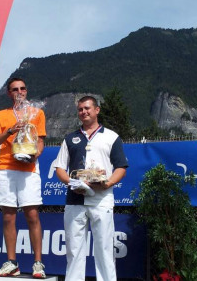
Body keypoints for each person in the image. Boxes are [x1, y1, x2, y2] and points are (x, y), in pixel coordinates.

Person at [54, 96, 129, 281]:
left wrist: (108, 183)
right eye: (80, 109)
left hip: (101, 199)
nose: (83, 112)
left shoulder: (111, 137)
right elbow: (59, 168)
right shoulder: (70, 138)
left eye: (87, 108)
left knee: (104, 249)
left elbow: (121, 167)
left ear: (97, 110)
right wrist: (72, 183)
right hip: (75, 200)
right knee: (73, 250)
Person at [0, 77, 47, 278]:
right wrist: (10, 131)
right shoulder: (1, 115)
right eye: (15, 89)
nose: (19, 92)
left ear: (26, 91)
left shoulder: (37, 113)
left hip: (28, 168)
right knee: (8, 216)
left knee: (32, 215)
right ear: (9, 93)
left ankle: (38, 263)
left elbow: (40, 141)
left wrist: (35, 154)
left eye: (22, 88)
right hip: (5, 168)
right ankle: (12, 262)